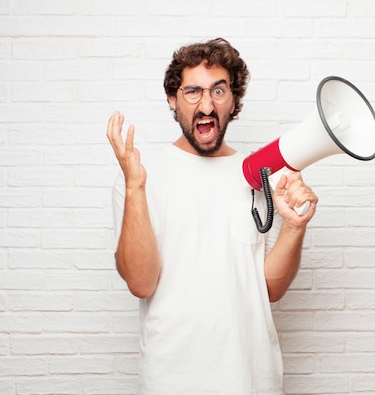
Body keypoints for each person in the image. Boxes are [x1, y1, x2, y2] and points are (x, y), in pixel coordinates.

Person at [106, 38, 318, 395]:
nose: (206, 104)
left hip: (252, 380)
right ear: (173, 99)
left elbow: (270, 288)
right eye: (193, 91)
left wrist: (295, 227)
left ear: (233, 100)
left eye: (218, 90)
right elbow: (141, 283)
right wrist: (134, 187)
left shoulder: (257, 176)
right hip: (171, 381)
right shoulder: (140, 175)